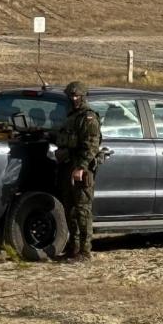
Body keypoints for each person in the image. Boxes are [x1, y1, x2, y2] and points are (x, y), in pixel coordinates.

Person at [55, 81, 102, 260]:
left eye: (77, 96)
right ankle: (73, 249)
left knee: (83, 210)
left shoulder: (88, 118)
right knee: (70, 210)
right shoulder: (71, 116)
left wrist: (81, 167)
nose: (74, 99)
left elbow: (91, 146)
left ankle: (85, 251)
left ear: (83, 96)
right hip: (68, 166)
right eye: (71, 96)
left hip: (81, 169)